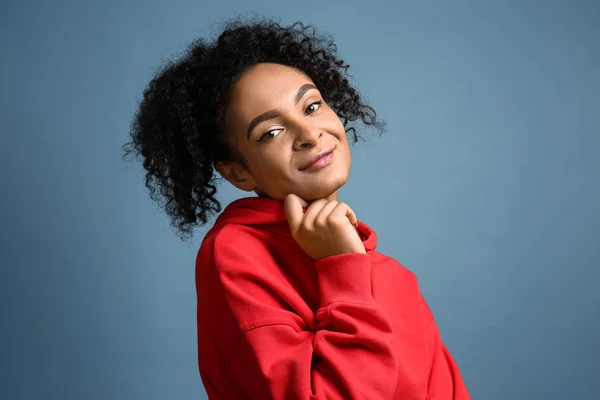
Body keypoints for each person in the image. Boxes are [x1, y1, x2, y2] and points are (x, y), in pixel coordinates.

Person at [124, 17, 471, 399]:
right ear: (238, 172)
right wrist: (343, 271)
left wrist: (346, 262)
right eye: (271, 133)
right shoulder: (236, 255)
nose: (308, 135)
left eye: (311, 106)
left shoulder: (396, 280)